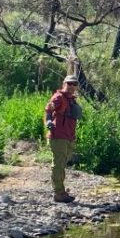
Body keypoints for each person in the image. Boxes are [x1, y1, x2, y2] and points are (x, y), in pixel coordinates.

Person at [44, 74, 83, 203]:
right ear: (64, 84)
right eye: (69, 83)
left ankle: (61, 191)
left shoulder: (71, 99)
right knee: (58, 165)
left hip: (68, 136)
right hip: (58, 136)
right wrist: (48, 121)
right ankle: (59, 193)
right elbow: (48, 109)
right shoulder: (58, 97)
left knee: (64, 163)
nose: (72, 86)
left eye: (74, 84)